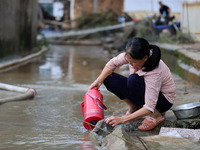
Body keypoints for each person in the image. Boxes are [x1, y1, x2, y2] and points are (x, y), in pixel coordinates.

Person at [89, 37, 176, 131]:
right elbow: (111, 64)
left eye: (134, 62)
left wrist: (122, 119)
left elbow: (149, 106)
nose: (131, 64)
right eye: (129, 61)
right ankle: (134, 107)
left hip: (163, 101)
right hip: (143, 91)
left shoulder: (154, 71)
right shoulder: (131, 55)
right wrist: (98, 81)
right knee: (108, 78)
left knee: (133, 80)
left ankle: (156, 115)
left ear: (145, 58)